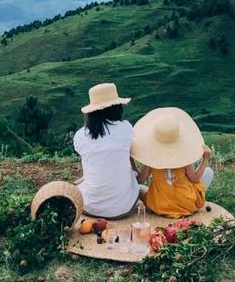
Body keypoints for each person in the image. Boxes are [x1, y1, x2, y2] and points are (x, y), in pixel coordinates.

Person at [130, 107, 214, 218]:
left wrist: (131, 160)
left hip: (159, 204)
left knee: (140, 189)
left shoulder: (152, 159)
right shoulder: (183, 157)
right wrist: (205, 159)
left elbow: (139, 180)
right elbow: (194, 178)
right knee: (208, 172)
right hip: (186, 202)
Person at [73, 82, 140, 218]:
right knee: (133, 182)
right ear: (117, 108)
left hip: (90, 207)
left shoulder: (80, 135)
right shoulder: (126, 128)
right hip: (123, 208)